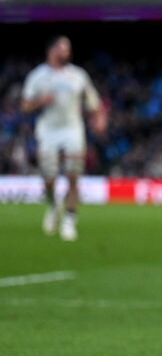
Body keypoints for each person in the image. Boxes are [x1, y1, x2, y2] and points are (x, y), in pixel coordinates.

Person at [20, 35, 106, 241]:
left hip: (72, 129)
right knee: (49, 178)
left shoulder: (78, 75)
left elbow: (93, 102)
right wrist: (41, 100)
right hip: (48, 130)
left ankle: (69, 220)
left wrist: (99, 118)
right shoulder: (38, 76)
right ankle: (52, 205)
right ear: (52, 51)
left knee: (73, 175)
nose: (67, 51)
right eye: (62, 47)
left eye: (68, 48)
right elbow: (25, 105)